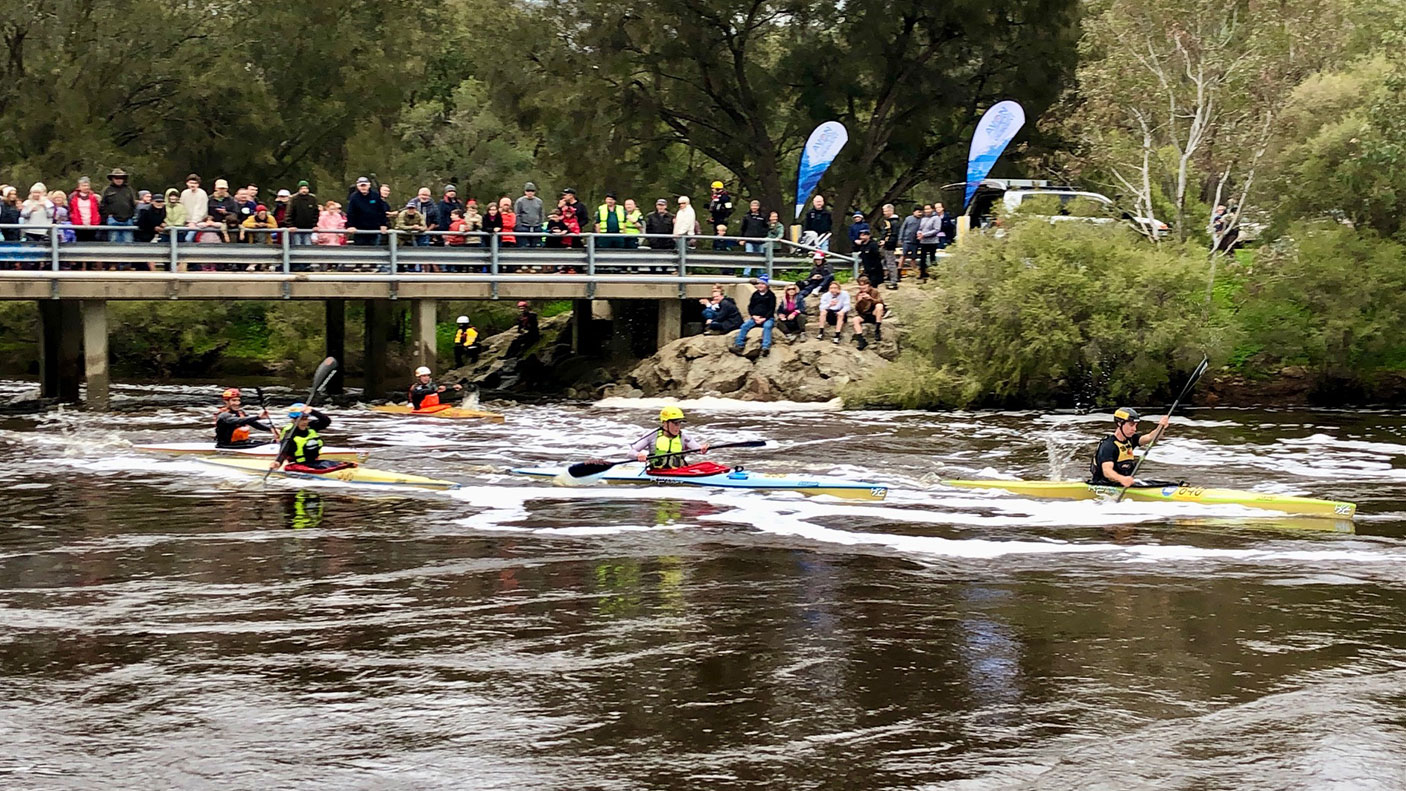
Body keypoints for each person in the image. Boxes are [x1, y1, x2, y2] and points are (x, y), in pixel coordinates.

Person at [1089, 407, 1171, 487]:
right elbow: (1107, 471)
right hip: (1104, 484)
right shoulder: (1108, 446)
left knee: (1164, 484)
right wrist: (1122, 479)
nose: (1134, 429)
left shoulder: (1131, 440)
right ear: (1120, 423)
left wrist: (1161, 426)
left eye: (1135, 425)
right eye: (1131, 425)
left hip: (1122, 483)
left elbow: (1151, 437)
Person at [272, 403, 348, 473]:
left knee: (344, 464)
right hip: (299, 464)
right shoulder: (289, 434)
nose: (304, 422)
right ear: (293, 420)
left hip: (315, 462)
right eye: (301, 419)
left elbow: (326, 421)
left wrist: (312, 411)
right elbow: (284, 451)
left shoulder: (311, 427)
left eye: (306, 418)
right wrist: (278, 462)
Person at [630, 406, 710, 470]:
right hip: (655, 472)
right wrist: (638, 455)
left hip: (678, 472)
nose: (677, 427)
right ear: (665, 423)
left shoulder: (684, 437)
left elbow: (698, 449)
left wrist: (703, 449)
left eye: (679, 423)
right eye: (675, 423)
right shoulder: (652, 435)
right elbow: (631, 452)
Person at [731, 275, 778, 356]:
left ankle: (765, 347)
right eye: (759, 284)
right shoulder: (755, 294)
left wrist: (764, 318)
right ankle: (739, 344)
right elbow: (750, 307)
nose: (760, 286)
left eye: (762, 284)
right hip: (755, 317)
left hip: (767, 318)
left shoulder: (771, 295)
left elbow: (771, 309)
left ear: (766, 285)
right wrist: (753, 316)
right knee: (744, 326)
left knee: (767, 327)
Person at [346, 177, 388, 246]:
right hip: (359, 231)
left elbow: (381, 211)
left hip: (374, 230)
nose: (363, 187)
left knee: (374, 250)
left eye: (365, 185)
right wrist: (350, 226)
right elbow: (350, 213)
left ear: (369, 185)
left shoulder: (376, 196)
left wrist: (383, 224)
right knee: (360, 251)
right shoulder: (354, 197)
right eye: (361, 185)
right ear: (358, 186)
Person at [100, 168, 138, 242]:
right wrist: (107, 215)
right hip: (113, 220)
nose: (119, 179)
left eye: (121, 178)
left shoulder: (129, 190)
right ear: (112, 179)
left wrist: (131, 215)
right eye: (116, 177)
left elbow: (133, 203)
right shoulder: (107, 190)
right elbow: (102, 205)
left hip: (128, 220)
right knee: (113, 241)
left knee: (129, 242)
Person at [849, 277, 886, 350]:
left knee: (879, 306)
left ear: (868, 285)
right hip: (864, 315)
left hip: (873, 313)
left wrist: (870, 299)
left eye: (864, 285)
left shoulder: (875, 292)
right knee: (855, 320)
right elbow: (858, 310)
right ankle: (861, 340)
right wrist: (859, 302)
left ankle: (877, 330)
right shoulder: (858, 294)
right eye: (861, 285)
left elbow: (880, 302)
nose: (862, 287)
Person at [286, 180, 320, 245]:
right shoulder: (293, 199)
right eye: (302, 188)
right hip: (296, 229)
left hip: (308, 228)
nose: (304, 190)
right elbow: (288, 213)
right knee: (297, 244)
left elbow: (316, 213)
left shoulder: (312, 199)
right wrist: (290, 225)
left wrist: (314, 225)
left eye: (306, 188)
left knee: (308, 245)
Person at [816, 279, 850, 343]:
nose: (833, 289)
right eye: (831, 288)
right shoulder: (826, 295)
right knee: (823, 312)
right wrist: (830, 304)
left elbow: (847, 306)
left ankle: (837, 335)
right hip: (830, 312)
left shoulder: (844, 294)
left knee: (841, 314)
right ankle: (821, 332)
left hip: (840, 312)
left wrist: (842, 311)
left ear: (839, 288)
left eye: (835, 288)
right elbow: (821, 307)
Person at [68, 177, 101, 243]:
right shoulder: (73, 197)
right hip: (78, 224)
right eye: (84, 186)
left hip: (92, 224)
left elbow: (97, 209)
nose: (86, 187)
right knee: (80, 241)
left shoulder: (94, 197)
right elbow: (70, 209)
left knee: (92, 242)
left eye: (87, 185)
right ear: (79, 187)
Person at [916, 203, 942, 282]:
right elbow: (920, 228)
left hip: (932, 241)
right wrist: (919, 233)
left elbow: (936, 230)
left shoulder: (936, 218)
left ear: (932, 209)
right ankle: (922, 273)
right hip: (923, 241)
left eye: (928, 209)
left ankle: (934, 274)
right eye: (925, 209)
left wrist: (924, 234)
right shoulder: (923, 218)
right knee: (922, 258)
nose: (927, 211)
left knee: (932, 258)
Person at [878, 203, 901, 288]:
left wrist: (886, 242)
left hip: (889, 245)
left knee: (891, 263)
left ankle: (894, 281)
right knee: (884, 262)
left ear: (891, 211)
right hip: (885, 245)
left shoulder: (894, 222)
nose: (884, 213)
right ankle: (887, 276)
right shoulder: (887, 221)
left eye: (886, 211)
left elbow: (893, 235)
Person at [514, 183, 544, 248]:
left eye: (532, 191)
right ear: (525, 192)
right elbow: (517, 214)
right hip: (523, 227)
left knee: (536, 246)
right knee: (524, 246)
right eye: (528, 191)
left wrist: (540, 224)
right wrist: (519, 225)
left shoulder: (539, 201)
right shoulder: (520, 201)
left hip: (536, 227)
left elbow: (541, 213)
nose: (530, 193)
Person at [899, 205, 922, 278]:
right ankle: (899, 270)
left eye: (921, 212)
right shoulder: (908, 219)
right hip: (907, 240)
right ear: (914, 212)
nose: (920, 213)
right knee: (903, 255)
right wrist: (900, 238)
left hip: (915, 242)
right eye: (918, 212)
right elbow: (903, 228)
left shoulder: (922, 220)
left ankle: (915, 272)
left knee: (913, 258)